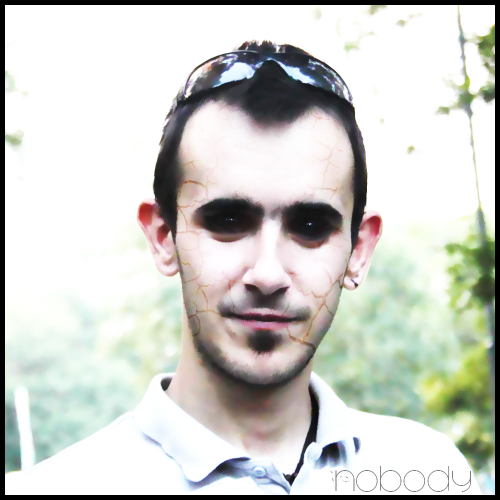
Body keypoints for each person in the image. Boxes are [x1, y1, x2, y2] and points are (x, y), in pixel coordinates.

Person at [10, 40, 481, 495]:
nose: (268, 274)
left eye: (311, 226)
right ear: (162, 237)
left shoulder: (430, 473)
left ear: (359, 249)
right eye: (228, 222)